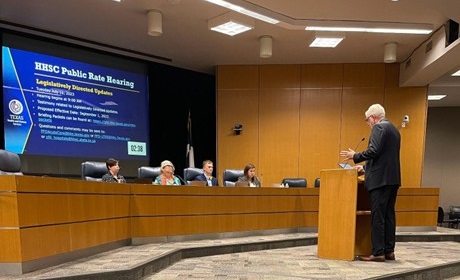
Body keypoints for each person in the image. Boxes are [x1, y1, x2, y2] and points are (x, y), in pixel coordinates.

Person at [340, 103, 401, 262]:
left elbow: (373, 151)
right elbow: (383, 158)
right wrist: (366, 168)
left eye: (367, 120)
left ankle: (378, 252)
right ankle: (389, 251)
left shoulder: (379, 128)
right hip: (392, 179)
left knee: (378, 216)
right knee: (388, 215)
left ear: (373, 118)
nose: (368, 124)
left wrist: (356, 156)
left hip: (380, 181)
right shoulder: (394, 130)